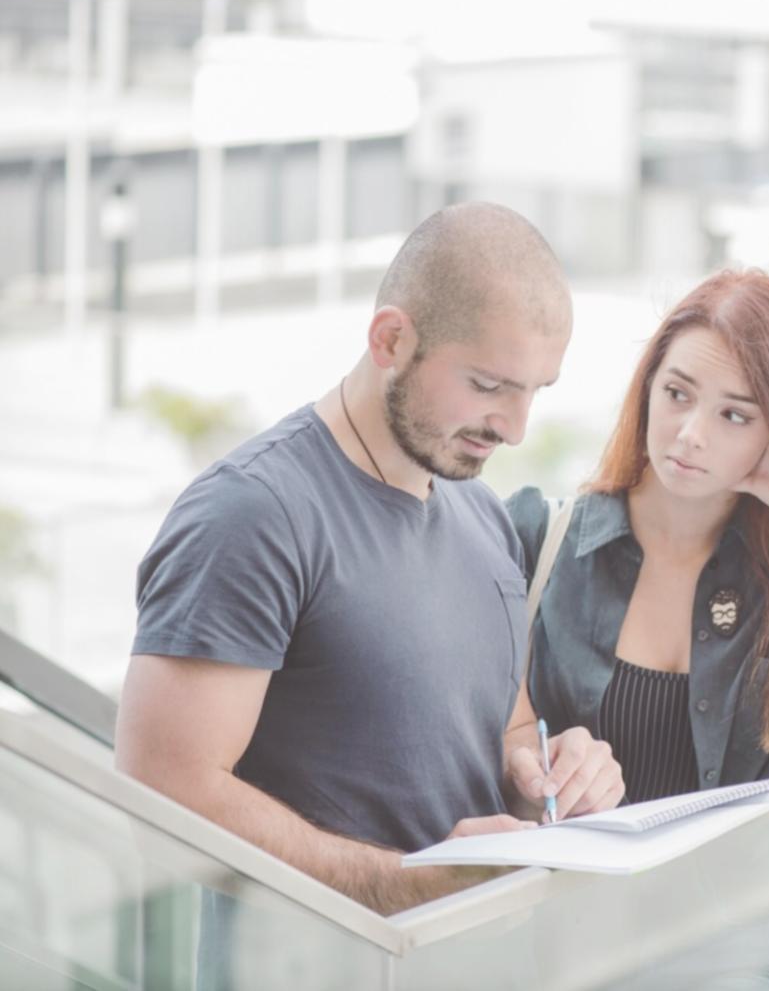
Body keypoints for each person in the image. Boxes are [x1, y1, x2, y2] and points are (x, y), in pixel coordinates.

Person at [115, 202, 624, 917]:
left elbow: (503, 726)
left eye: (535, 391)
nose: (513, 428)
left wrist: (541, 771)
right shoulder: (253, 514)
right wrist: (403, 882)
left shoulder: (479, 513)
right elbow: (163, 792)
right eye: (487, 385)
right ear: (391, 338)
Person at [504, 269, 769, 808]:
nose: (691, 434)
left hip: (735, 894)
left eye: (734, 415)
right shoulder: (538, 538)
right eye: (678, 393)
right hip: (565, 893)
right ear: (649, 386)